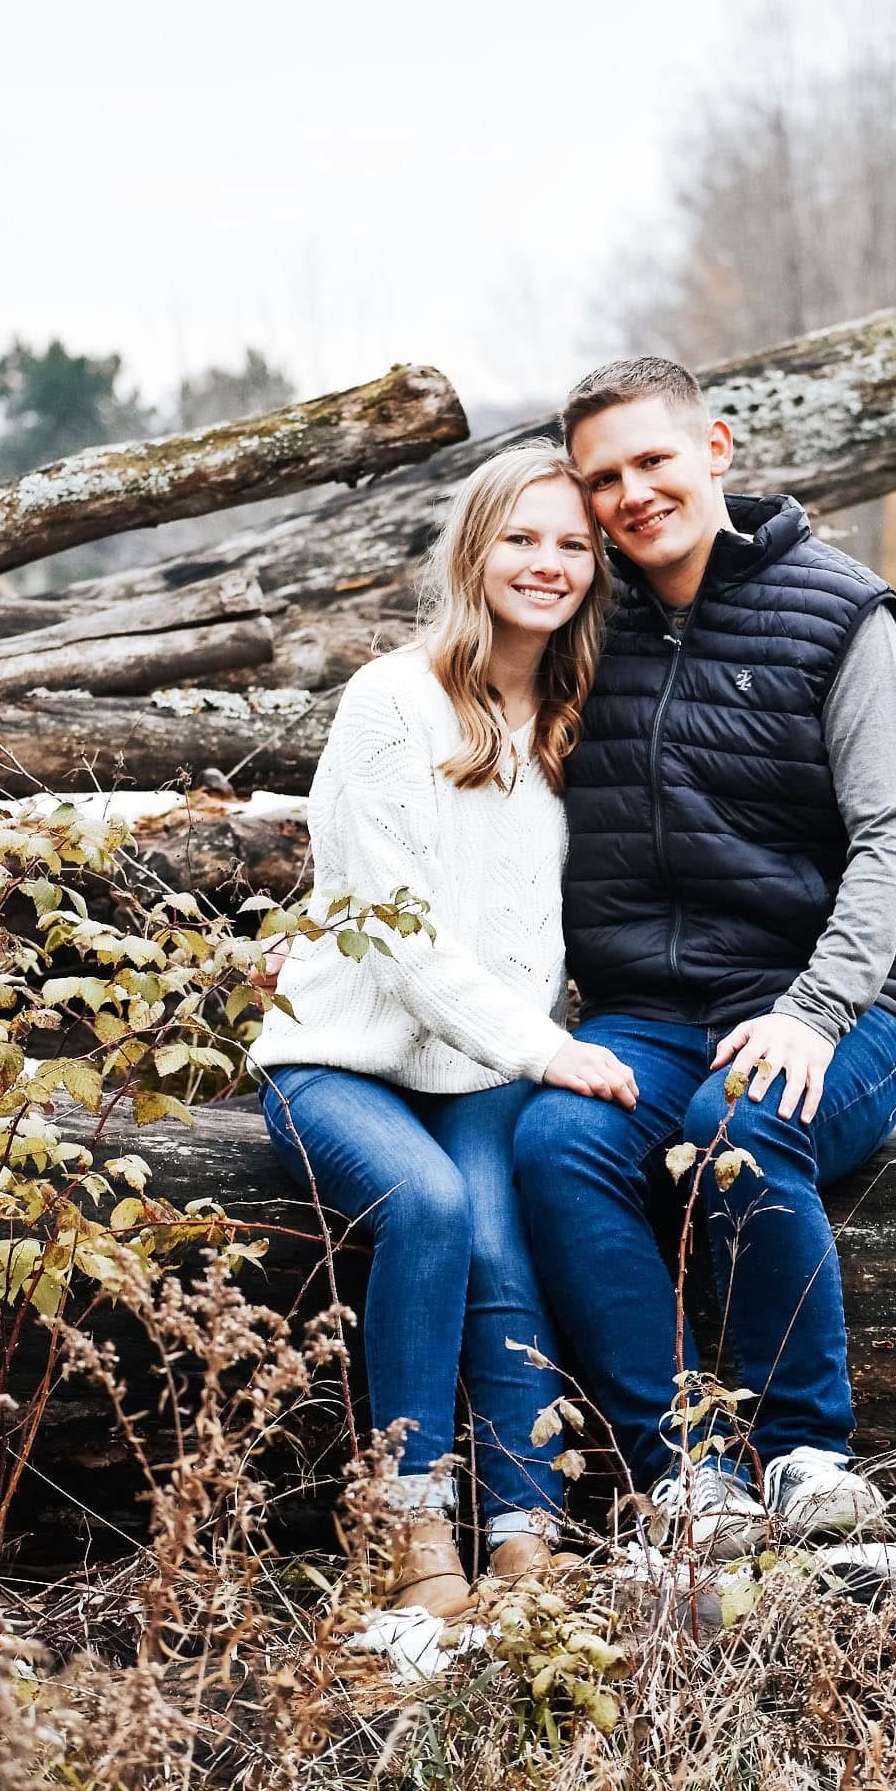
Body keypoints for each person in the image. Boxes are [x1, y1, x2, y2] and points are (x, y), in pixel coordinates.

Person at [513, 357, 896, 1558]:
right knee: (558, 1140)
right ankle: (687, 1472)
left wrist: (814, 1007)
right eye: (605, 477)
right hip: (643, 1009)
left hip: (832, 1009)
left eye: (654, 460)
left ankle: (811, 1453)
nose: (633, 493)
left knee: (737, 1127)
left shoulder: (839, 609)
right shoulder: (583, 621)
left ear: (718, 449)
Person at [251, 444, 636, 1616]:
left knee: (501, 1237)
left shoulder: (579, 712)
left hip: (480, 1066)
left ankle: (523, 1535)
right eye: (523, 537)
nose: (549, 563)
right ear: (474, 548)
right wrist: (546, 1047)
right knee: (427, 1204)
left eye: (574, 544)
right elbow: (405, 938)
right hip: (337, 1059)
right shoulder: (393, 699)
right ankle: (412, 1528)